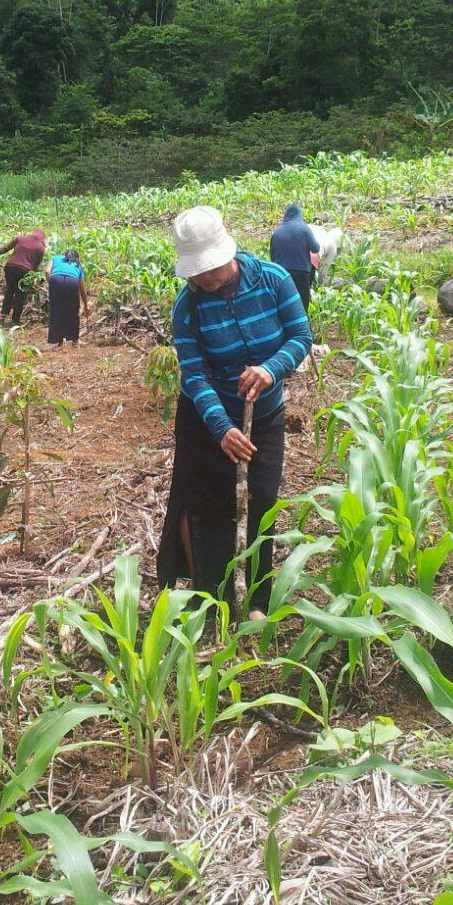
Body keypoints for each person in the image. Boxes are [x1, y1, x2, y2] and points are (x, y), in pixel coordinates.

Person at [157, 207, 312, 620]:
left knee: (261, 499)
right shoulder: (187, 308)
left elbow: (300, 337)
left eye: (212, 268)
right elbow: (194, 375)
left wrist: (269, 368)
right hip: (208, 420)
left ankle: (257, 599)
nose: (206, 279)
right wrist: (222, 428)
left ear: (229, 251)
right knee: (210, 505)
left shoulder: (273, 281)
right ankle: (216, 597)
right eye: (198, 272)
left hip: (264, 414)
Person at [0, 229, 46, 326]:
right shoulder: (41, 248)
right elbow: (35, 266)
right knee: (20, 295)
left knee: (9, 292)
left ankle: (3, 316)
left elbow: (5, 248)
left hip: (10, 267)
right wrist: (33, 278)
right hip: (24, 271)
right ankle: (15, 321)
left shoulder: (19, 238)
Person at [269, 203, 321, 310]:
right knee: (302, 303)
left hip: (282, 274)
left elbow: (272, 257)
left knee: (284, 303)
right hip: (301, 272)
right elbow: (315, 248)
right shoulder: (304, 229)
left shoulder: (276, 232)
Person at [46, 249, 89, 345]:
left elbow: (47, 271)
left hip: (55, 280)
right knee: (73, 312)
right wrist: (86, 305)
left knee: (56, 311)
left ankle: (59, 342)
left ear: (63, 255)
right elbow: (82, 289)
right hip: (72, 281)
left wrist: (52, 283)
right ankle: (74, 341)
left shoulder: (55, 258)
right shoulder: (77, 265)